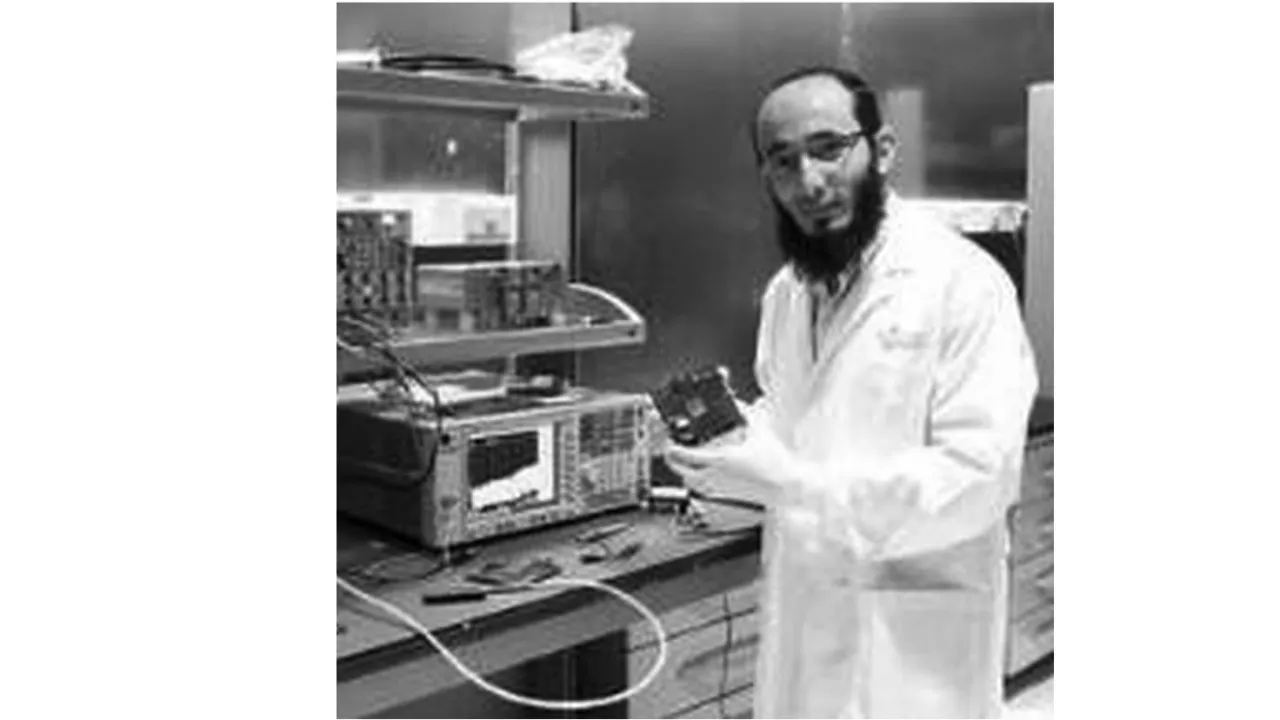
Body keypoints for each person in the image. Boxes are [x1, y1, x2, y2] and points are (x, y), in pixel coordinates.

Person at [664, 66, 1039, 718]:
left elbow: (979, 480)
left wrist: (792, 485)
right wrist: (731, 451)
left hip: (912, 650)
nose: (808, 182)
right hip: (805, 620)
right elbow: (798, 419)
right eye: (783, 161)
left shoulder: (962, 283)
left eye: (829, 148)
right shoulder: (788, 293)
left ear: (882, 150)